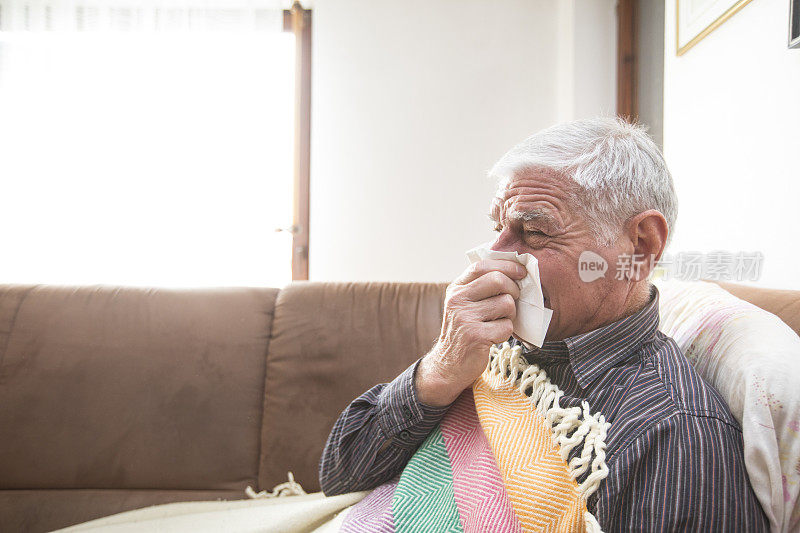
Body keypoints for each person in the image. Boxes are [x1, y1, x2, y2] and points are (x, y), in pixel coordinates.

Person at [318, 117, 769, 531]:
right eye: (498, 227)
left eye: (534, 233)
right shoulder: (495, 344)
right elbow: (340, 474)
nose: (497, 257)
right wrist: (441, 368)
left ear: (640, 246)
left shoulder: (673, 435)